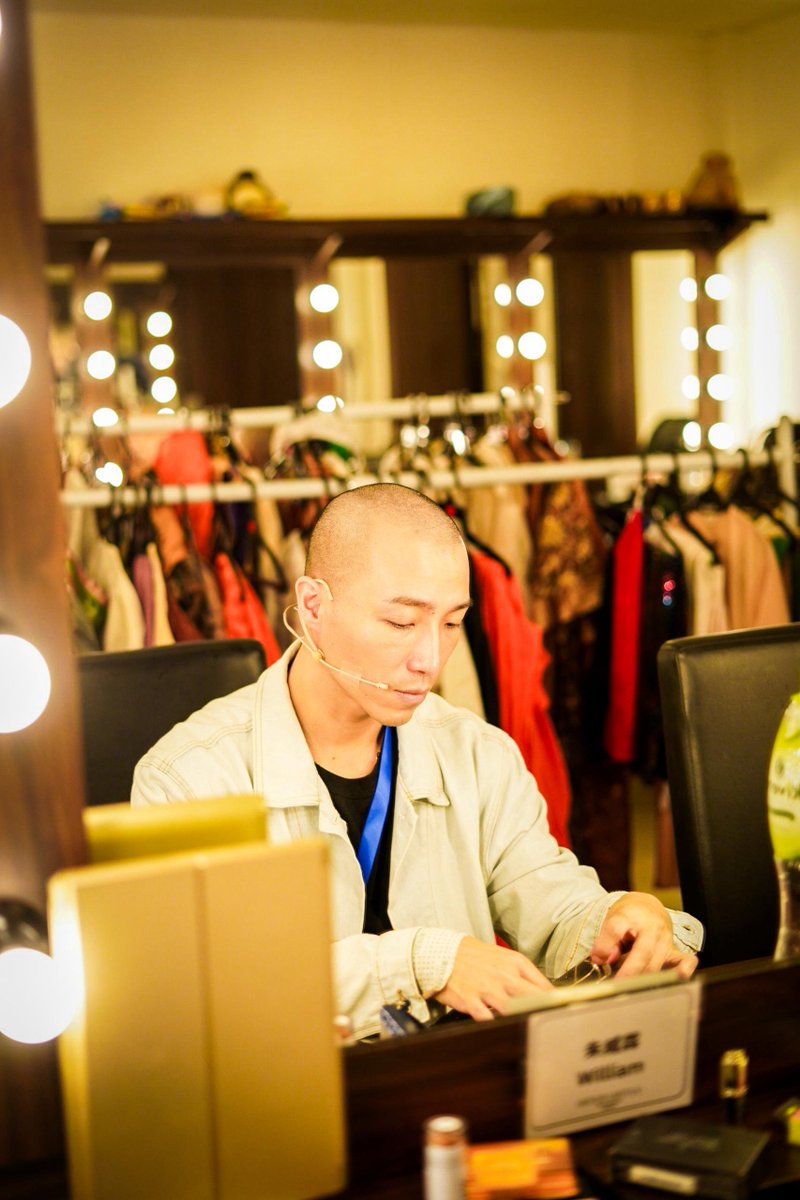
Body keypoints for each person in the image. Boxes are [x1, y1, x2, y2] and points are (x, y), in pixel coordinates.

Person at [132, 483, 702, 1038]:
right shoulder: (187, 779)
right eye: (401, 623)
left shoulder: (478, 753)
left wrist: (616, 920)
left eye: (453, 622)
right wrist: (422, 962)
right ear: (312, 607)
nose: (430, 659)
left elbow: (549, 902)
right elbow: (210, 986)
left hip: (453, 1091)